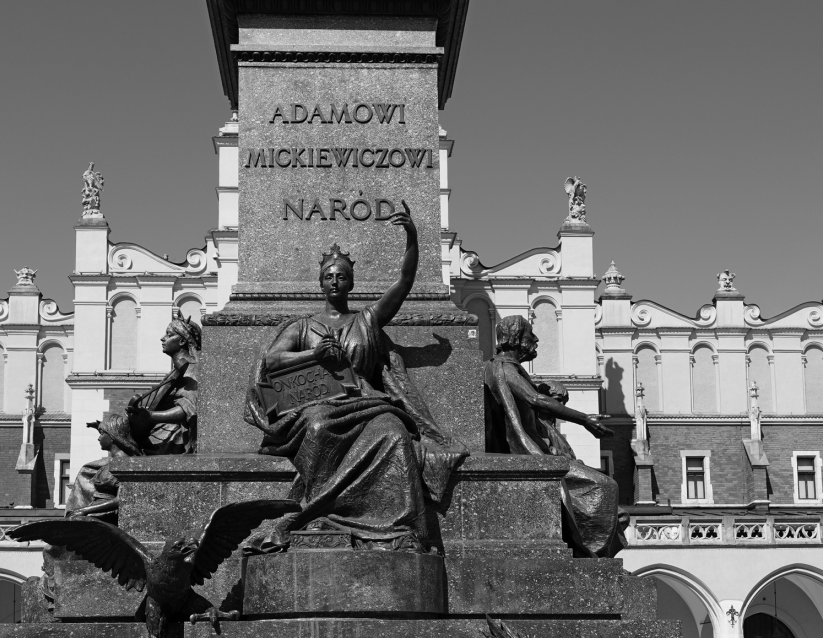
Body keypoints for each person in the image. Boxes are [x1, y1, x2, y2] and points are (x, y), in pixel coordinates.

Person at [245, 203, 465, 551]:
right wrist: (314, 355)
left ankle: (399, 527)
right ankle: (319, 513)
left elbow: (404, 282)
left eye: (341, 276)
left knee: (394, 432)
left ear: (351, 282)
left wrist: (413, 236)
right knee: (318, 428)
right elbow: (272, 360)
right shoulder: (303, 326)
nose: (335, 281)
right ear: (320, 284)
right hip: (318, 402)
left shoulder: (367, 320)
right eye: (329, 276)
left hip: (366, 402)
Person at [484, 315, 623, 557]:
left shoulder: (507, 368)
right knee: (603, 486)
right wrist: (585, 419)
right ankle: (591, 555)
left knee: (604, 490)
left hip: (538, 451)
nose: (536, 339)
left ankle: (593, 555)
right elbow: (535, 399)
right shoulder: (504, 368)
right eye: (530, 335)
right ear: (517, 339)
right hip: (529, 453)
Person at [125, 310, 200, 455]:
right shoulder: (176, 371)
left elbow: (189, 410)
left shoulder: (191, 369)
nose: (162, 338)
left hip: (175, 437)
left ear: (182, 341)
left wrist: (150, 416)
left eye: (169, 335)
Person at [64, 414, 142, 521]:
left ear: (112, 436)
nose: (98, 438)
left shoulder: (127, 464)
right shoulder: (108, 464)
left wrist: (85, 510)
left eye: (102, 433)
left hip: (106, 515)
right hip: (94, 511)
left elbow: (121, 499)